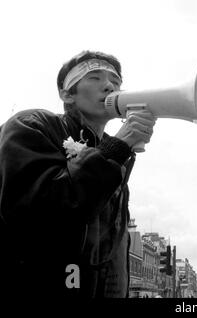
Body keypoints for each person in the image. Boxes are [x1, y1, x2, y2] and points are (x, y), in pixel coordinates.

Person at [0, 50, 156, 298]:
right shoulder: (31, 125)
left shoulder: (112, 151)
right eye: (94, 77)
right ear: (67, 93)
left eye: (115, 81)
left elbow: (112, 249)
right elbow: (41, 211)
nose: (109, 85)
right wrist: (115, 149)